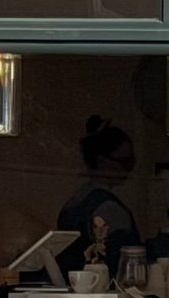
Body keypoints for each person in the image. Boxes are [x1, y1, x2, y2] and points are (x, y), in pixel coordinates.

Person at [54, 116, 139, 279]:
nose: (129, 169)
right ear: (102, 161)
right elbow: (121, 266)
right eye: (124, 162)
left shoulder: (76, 200)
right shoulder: (108, 208)